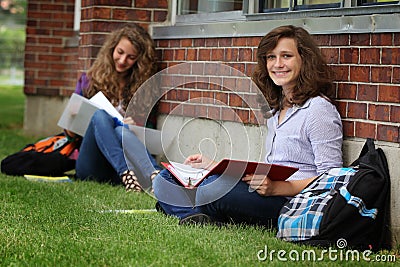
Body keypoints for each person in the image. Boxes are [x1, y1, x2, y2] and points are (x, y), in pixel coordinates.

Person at [153, 25, 343, 226]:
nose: (278, 64)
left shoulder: (318, 109)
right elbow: (267, 169)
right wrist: (214, 167)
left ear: (304, 60)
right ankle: (194, 214)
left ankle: (179, 208)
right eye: (271, 57)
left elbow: (331, 178)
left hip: (290, 203)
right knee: (166, 178)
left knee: (210, 188)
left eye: (286, 56)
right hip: (263, 191)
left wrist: (278, 188)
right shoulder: (276, 109)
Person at [65, 23, 161, 192]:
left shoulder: (144, 90)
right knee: (100, 116)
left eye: (131, 57)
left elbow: (150, 134)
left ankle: (154, 177)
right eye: (120, 52)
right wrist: (72, 117)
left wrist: (136, 127)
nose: (123, 60)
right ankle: (134, 173)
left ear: (140, 60)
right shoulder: (89, 80)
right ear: (112, 49)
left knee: (120, 130)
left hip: (124, 164)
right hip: (92, 165)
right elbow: (70, 136)